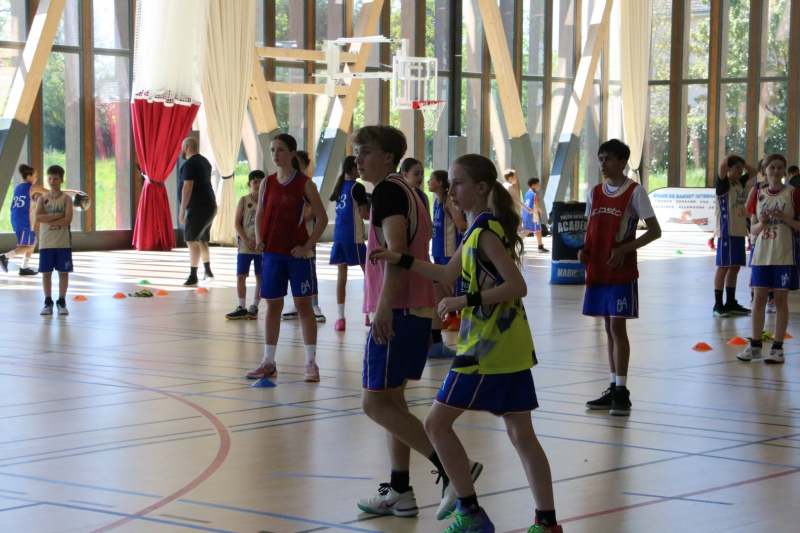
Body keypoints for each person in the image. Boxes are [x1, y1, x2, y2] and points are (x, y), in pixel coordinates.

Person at [369, 154, 563, 533]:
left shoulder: (485, 232)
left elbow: (517, 286)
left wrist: (465, 300)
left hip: (485, 349)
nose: (450, 190)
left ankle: (470, 513)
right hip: (510, 347)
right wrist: (401, 258)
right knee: (521, 435)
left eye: (457, 183)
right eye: (450, 183)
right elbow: (445, 272)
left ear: (481, 187)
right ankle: (547, 523)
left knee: (436, 424)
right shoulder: (477, 230)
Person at [352, 125, 467, 521]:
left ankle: (453, 469)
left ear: (388, 156)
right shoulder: (411, 192)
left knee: (374, 403)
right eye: (356, 151)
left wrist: (383, 308)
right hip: (414, 309)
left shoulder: (388, 191)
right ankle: (400, 490)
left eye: (366, 151)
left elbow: (397, 252)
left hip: (398, 311)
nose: (358, 158)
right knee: (393, 401)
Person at [579, 139, 661, 416]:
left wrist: (625, 249)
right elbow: (592, 229)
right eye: (601, 158)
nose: (603, 163)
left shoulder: (635, 192)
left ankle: (622, 393)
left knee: (617, 327)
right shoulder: (594, 192)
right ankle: (614, 387)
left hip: (620, 271)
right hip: (597, 270)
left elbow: (655, 231)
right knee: (607, 326)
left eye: (609, 159)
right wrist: (584, 252)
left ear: (622, 162)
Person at [246, 133, 328, 383]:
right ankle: (268, 362)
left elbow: (323, 219)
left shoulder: (304, 184)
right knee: (272, 306)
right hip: (272, 255)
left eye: (280, 149)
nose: (275, 155)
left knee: (304, 307)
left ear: (292, 153)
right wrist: (260, 238)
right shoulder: (267, 183)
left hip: (297, 257)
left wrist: (307, 246)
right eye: (272, 150)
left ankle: (311, 363)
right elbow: (260, 214)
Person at [737, 153, 800, 365]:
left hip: (784, 254)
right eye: (772, 167)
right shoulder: (758, 193)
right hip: (761, 254)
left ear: (784, 170)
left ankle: (777, 348)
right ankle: (755, 346)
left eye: (780, 167)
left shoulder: (794, 194)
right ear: (764, 170)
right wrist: (762, 223)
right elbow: (753, 229)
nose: (776, 170)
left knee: (780, 302)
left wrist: (785, 218)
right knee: (758, 301)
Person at [282, 149, 326, 322]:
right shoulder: (286, 183)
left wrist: (297, 219)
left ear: (306, 165)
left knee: (310, 270)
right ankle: (297, 304)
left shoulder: (308, 185)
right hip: (291, 238)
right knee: (294, 271)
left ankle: (314, 305)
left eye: (300, 162)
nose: (297, 164)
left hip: (307, 235)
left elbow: (314, 212)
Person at [713, 154, 757, 317]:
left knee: (735, 267)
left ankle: (731, 302)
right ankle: (718, 305)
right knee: (723, 267)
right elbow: (722, 166)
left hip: (739, 231)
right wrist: (730, 156)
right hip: (727, 231)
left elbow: (754, 171)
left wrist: (742, 163)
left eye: (741, 168)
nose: (740, 171)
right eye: (737, 167)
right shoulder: (723, 183)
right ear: (729, 169)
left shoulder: (739, 182)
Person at [329, 155, 369, 331]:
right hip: (354, 237)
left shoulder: (340, 186)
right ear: (353, 169)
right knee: (368, 275)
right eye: (359, 165)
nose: (361, 168)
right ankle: (369, 313)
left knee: (341, 277)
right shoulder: (357, 187)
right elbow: (365, 214)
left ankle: (340, 318)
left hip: (339, 236)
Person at [428, 169, 465, 359]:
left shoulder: (449, 201)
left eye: (431, 179)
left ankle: (460, 317)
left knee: (453, 286)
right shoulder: (436, 201)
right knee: (441, 289)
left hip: (450, 251)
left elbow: (460, 224)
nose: (427, 181)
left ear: (440, 183)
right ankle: (449, 316)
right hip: (438, 251)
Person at [226, 170, 265, 320]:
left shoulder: (267, 201)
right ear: (249, 184)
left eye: (261, 182)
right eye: (255, 182)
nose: (258, 185)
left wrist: (262, 240)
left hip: (261, 247)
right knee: (241, 275)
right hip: (245, 246)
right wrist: (245, 240)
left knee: (260, 276)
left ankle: (254, 305)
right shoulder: (243, 200)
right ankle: (241, 306)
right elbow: (237, 223)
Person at [35, 165, 73, 316]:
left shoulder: (67, 199)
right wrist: (58, 215)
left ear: (61, 180)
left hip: (63, 242)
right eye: (49, 178)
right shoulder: (42, 199)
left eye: (55, 179)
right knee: (46, 272)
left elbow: (67, 220)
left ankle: (61, 301)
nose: (52, 181)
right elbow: (38, 218)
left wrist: (48, 218)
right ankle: (47, 302)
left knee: (63, 272)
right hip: (46, 242)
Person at [178, 137, 217, 287]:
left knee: (191, 240)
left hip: (198, 207)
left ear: (186, 147)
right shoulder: (204, 161)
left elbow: (187, 187)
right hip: (209, 205)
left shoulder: (189, 164)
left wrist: (182, 210)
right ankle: (208, 272)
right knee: (201, 239)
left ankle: (193, 276)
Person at [0, 164, 48, 276]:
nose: (36, 178)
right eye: (35, 175)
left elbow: (32, 202)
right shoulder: (32, 187)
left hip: (17, 217)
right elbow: (51, 191)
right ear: (29, 177)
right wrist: (74, 192)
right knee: (30, 245)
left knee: (33, 240)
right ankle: (5, 256)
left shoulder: (19, 187)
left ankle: (24, 267)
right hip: (24, 219)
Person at [521, 176, 549, 253]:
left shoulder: (527, 193)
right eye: (538, 184)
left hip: (525, 214)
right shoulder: (535, 194)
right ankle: (540, 247)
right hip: (533, 215)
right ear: (533, 185)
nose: (539, 186)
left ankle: (516, 241)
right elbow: (537, 205)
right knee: (538, 230)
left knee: (527, 230)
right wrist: (541, 212)